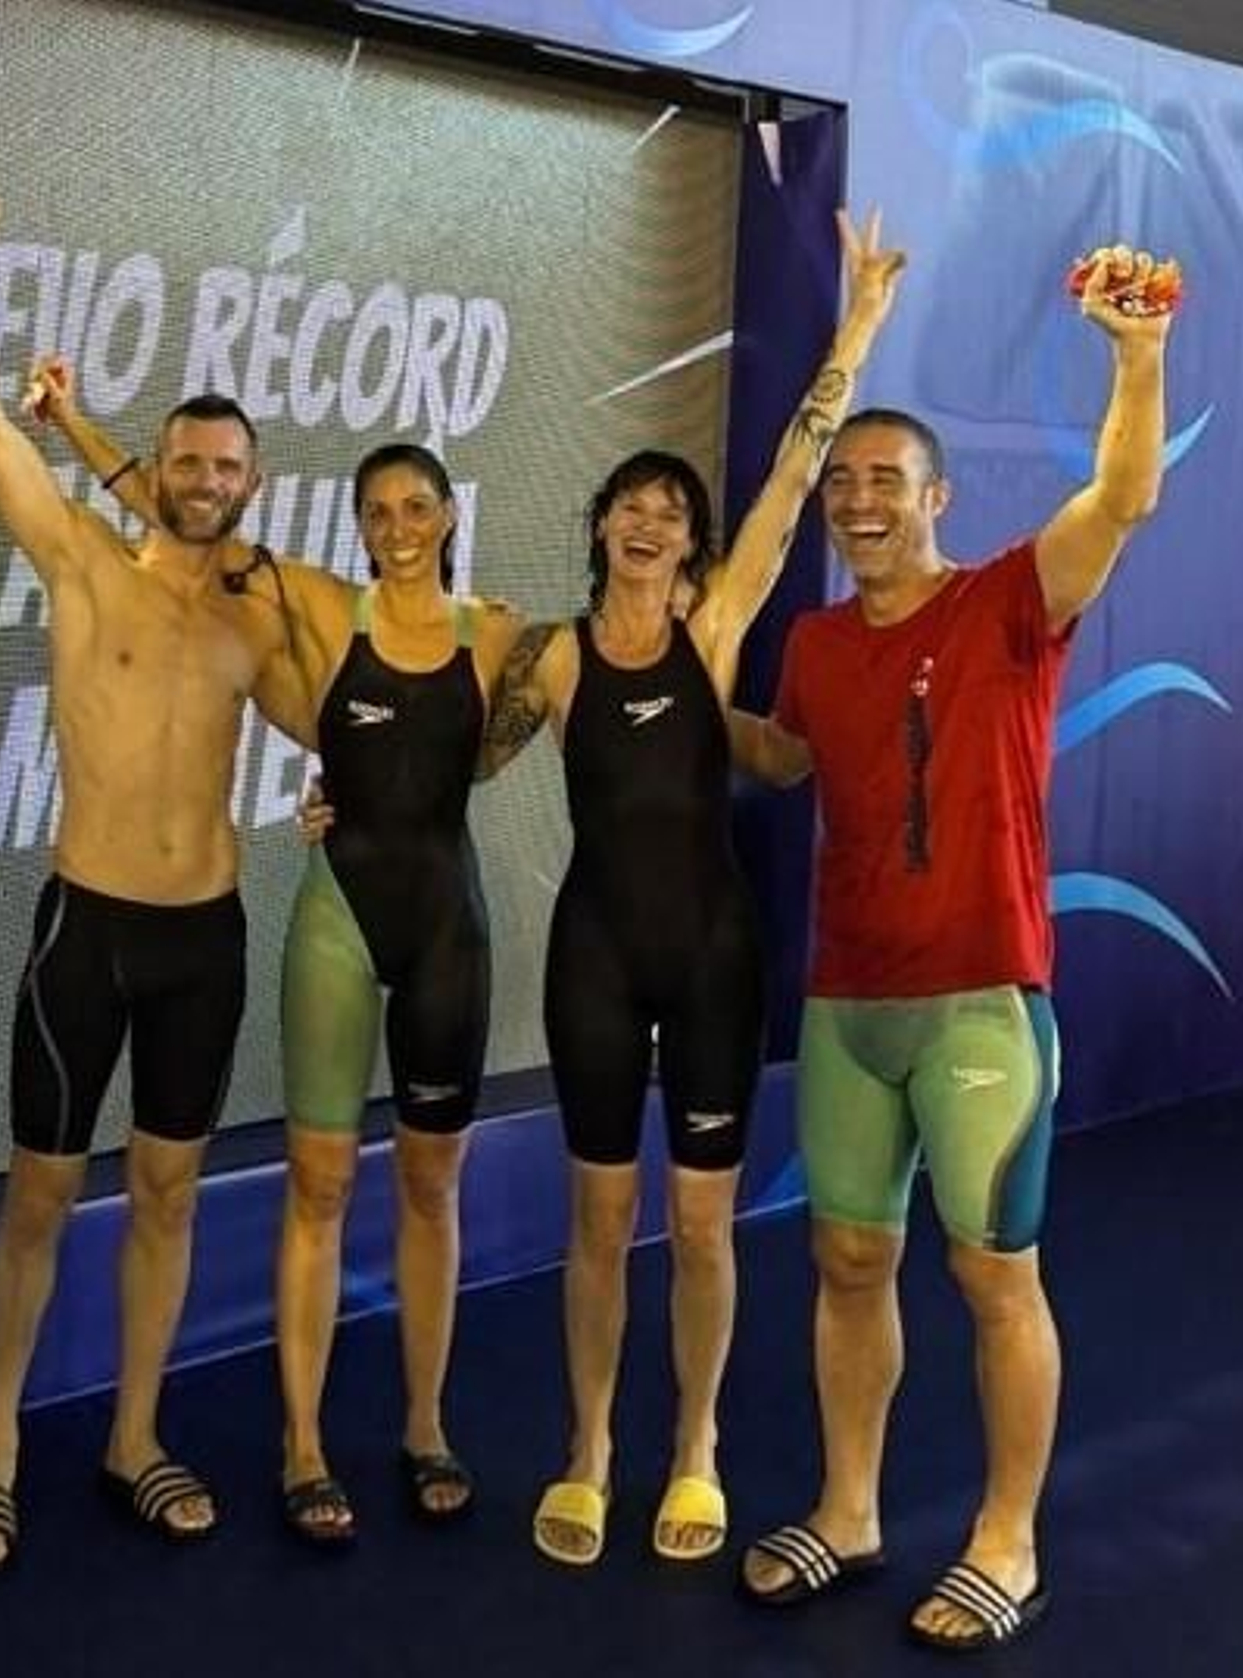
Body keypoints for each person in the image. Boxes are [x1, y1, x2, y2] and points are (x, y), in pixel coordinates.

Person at [732, 245, 1177, 1649]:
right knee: (849, 1268)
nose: (859, 502)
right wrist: (645, 699)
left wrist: (1136, 354)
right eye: (842, 483)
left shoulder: (1008, 602)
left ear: (937, 498)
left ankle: (1008, 1539)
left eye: (887, 482)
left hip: (983, 999)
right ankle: (850, 1509)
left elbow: (1122, 495)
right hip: (847, 1002)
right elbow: (787, 759)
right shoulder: (808, 639)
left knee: (995, 1279)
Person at [474, 210, 905, 1566]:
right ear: (599, 526)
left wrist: (859, 324)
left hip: (715, 951)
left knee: (702, 1220)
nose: (652, 520)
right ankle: (590, 1446)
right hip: (596, 955)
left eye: (673, 511)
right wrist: (338, 798)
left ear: (693, 546)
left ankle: (698, 1445)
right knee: (600, 1218)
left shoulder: (715, 632)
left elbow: (796, 472)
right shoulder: (548, 662)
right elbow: (447, 760)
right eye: (633, 504)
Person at [45, 389, 522, 1543]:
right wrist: (71, 427)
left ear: (448, 514)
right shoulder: (316, 600)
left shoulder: (497, 631)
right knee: (319, 1185)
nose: (398, 523)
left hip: (446, 923)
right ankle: (303, 1443)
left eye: (416, 505)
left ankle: (423, 1423)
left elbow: (533, 721)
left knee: (430, 1185)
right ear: (358, 525)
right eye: (377, 509)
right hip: (337, 923)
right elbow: (176, 509)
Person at [0, 189, 310, 1570]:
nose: (209, 481)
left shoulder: (256, 620)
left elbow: (338, 725)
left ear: (249, 486)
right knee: (39, 1191)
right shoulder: (82, 563)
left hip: (201, 938)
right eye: (191, 461)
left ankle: (134, 1435)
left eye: (230, 468)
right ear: (155, 467)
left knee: (166, 1192)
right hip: (82, 932)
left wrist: (342, 795)